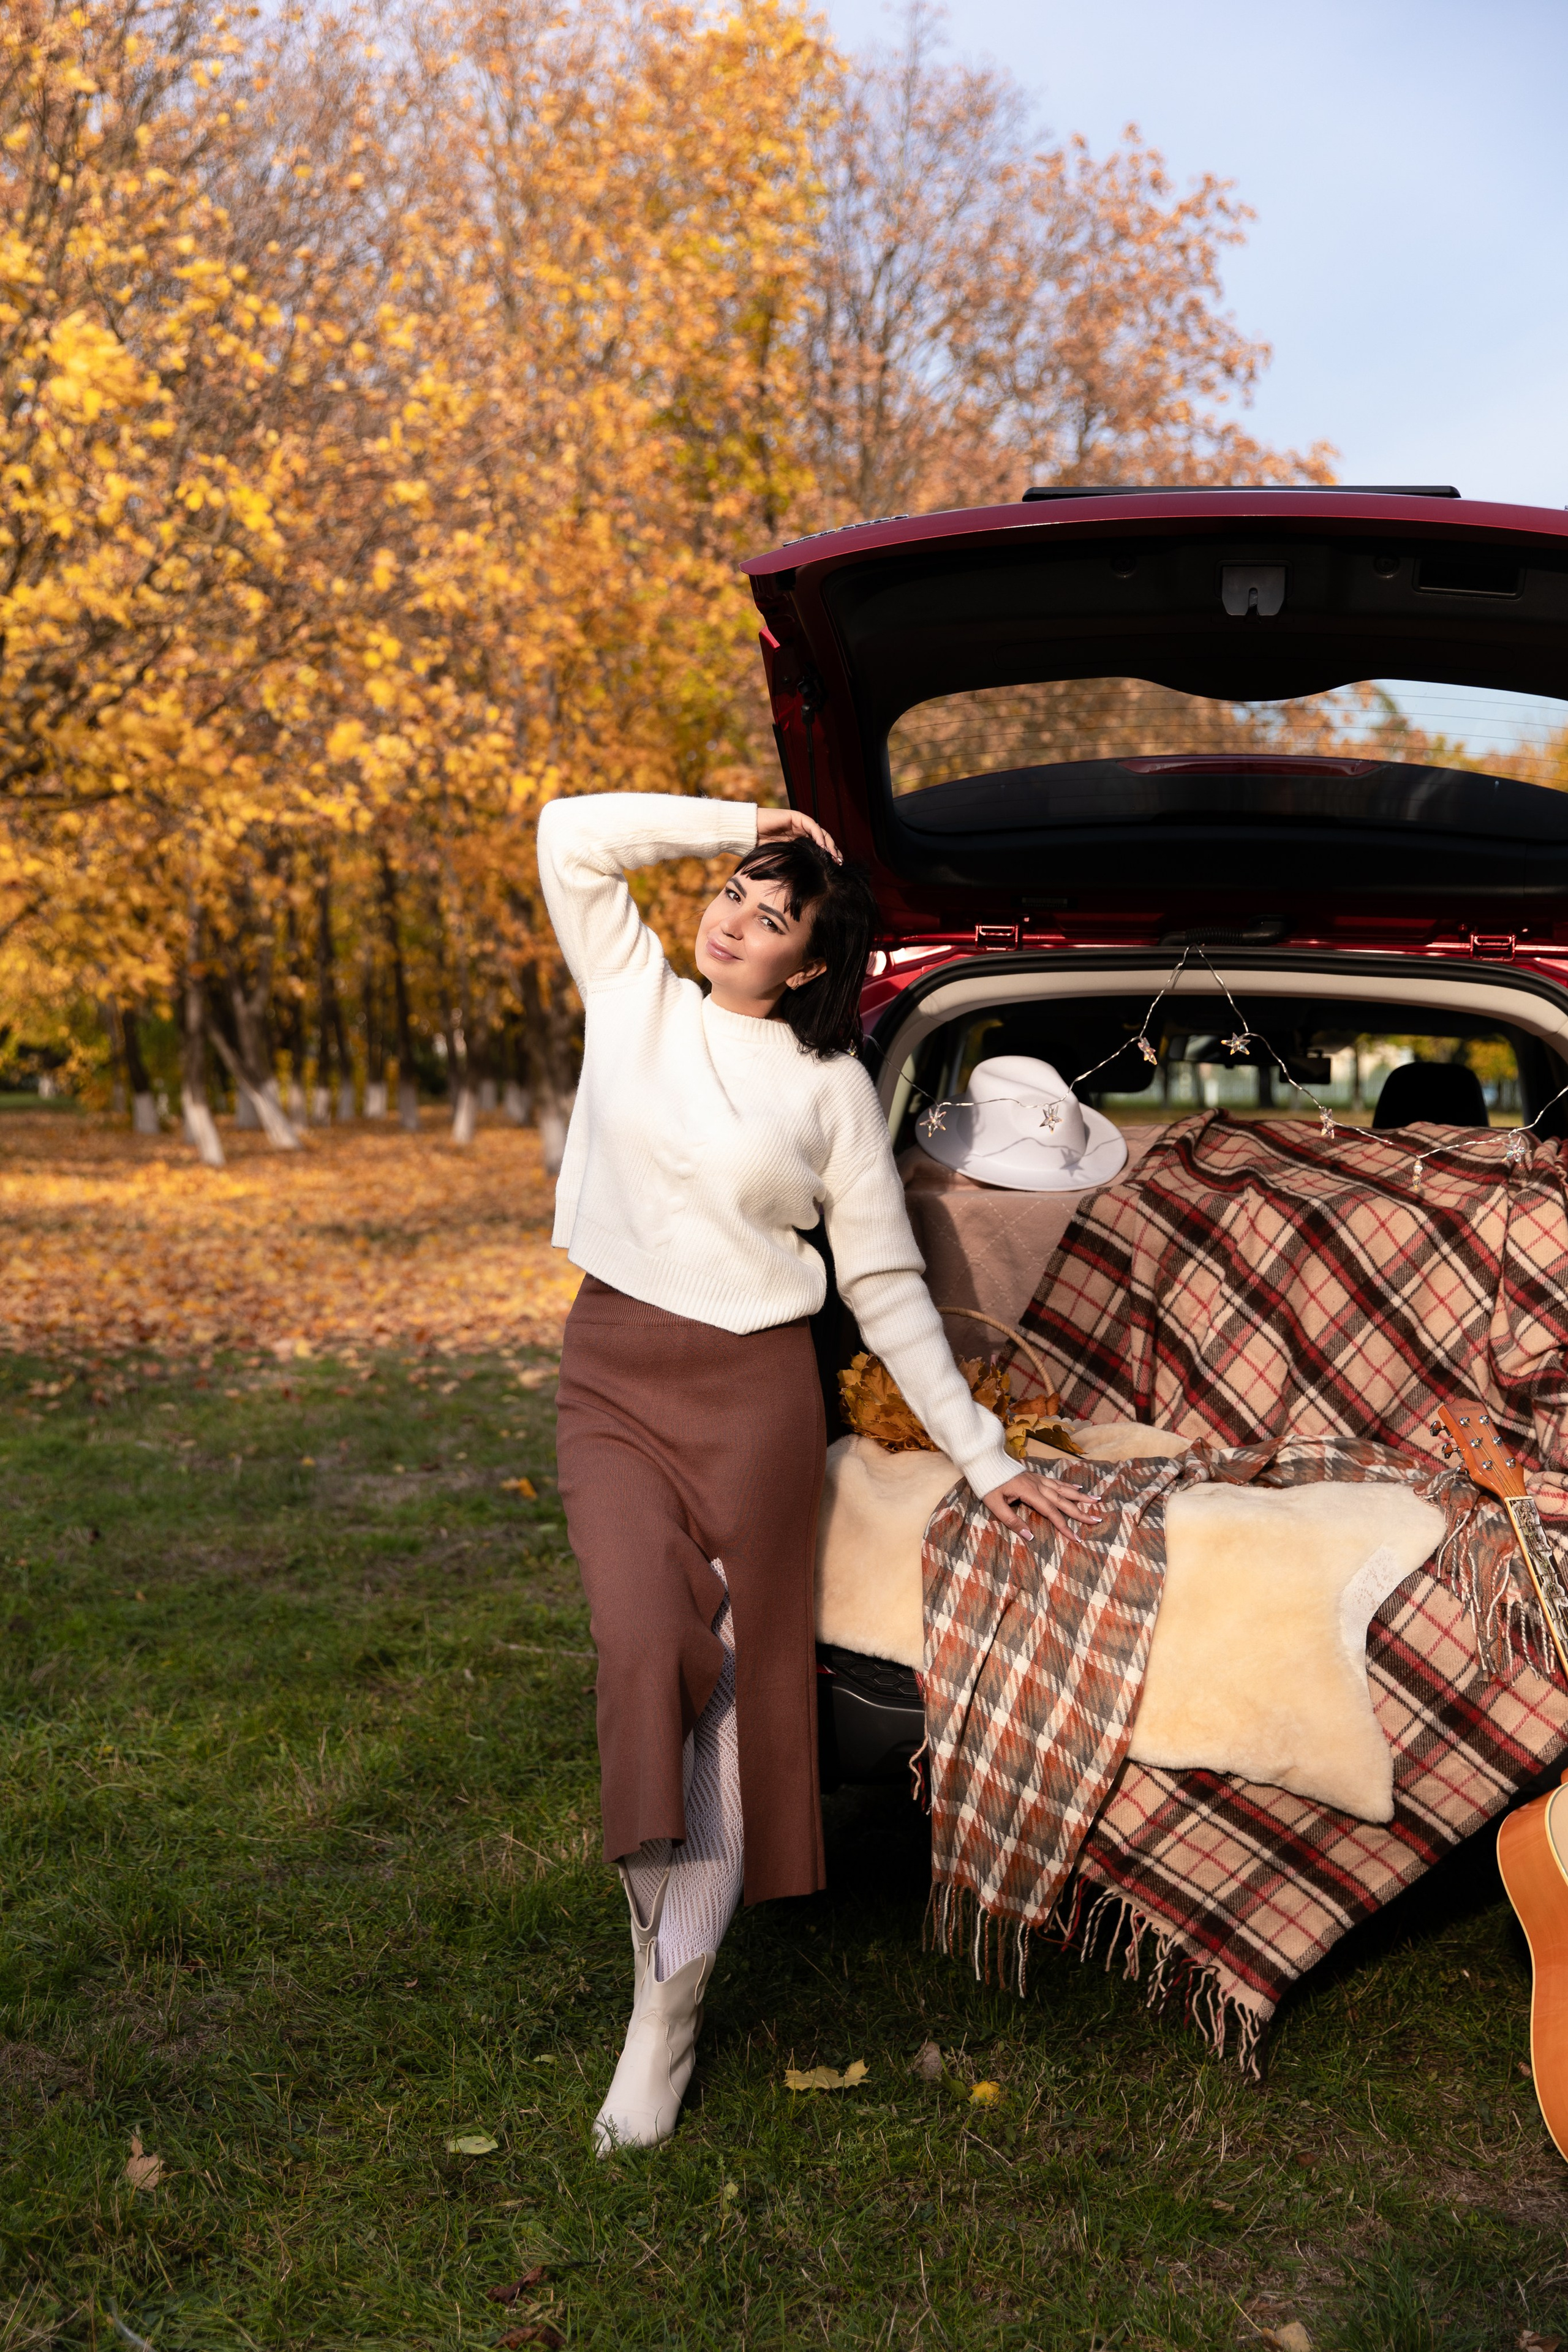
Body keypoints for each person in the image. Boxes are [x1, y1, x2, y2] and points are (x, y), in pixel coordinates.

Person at [540, 791, 1099, 2154]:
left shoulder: (829, 1091)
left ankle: (661, 2015)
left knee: (730, 1699)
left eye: (770, 914)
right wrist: (742, 816)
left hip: (754, 1399)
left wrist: (979, 1458)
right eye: (730, 892)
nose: (730, 918)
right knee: (636, 1649)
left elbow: (889, 1289)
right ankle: (659, 1954)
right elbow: (568, 832)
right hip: (611, 1371)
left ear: (809, 962)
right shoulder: (633, 997)